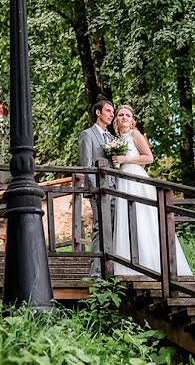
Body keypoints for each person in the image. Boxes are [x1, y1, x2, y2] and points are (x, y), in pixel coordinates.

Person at [110, 105, 192, 276]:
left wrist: (125, 158)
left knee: (144, 218)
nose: (124, 117)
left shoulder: (135, 134)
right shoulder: (116, 139)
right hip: (123, 179)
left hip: (136, 179)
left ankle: (154, 264)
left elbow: (149, 157)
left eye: (128, 115)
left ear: (132, 120)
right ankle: (128, 265)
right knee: (126, 217)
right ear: (116, 119)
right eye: (120, 115)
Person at [78, 99, 115, 278]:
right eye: (108, 111)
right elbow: (86, 164)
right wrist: (94, 190)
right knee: (100, 227)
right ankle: (96, 273)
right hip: (99, 191)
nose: (111, 114)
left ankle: (110, 269)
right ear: (98, 113)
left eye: (112, 112)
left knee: (114, 227)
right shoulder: (87, 135)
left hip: (114, 189)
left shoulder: (111, 138)